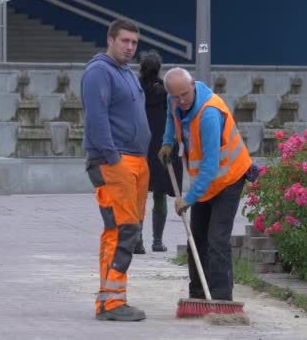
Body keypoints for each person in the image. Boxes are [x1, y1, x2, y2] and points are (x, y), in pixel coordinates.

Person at [158, 67, 252, 301]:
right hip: (207, 181)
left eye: (184, 95)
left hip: (229, 177)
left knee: (217, 239)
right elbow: (172, 117)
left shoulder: (209, 114)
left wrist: (188, 199)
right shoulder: (174, 100)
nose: (181, 101)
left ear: (193, 85)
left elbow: (211, 166)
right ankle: (198, 295)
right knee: (196, 237)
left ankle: (221, 298)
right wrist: (167, 141)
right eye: (176, 96)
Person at [81, 19, 150, 321]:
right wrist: (113, 159)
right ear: (110, 39)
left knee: (128, 231)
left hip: (135, 159)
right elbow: (96, 119)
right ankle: (110, 304)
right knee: (120, 230)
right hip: (114, 161)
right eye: (125, 41)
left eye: (134, 43)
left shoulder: (127, 74)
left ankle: (113, 299)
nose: (130, 47)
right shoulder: (98, 72)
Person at [136, 50, 183, 254]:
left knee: (138, 195)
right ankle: (157, 241)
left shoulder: (135, 91)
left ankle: (137, 240)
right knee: (160, 194)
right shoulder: (167, 93)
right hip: (163, 149)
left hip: (139, 147)